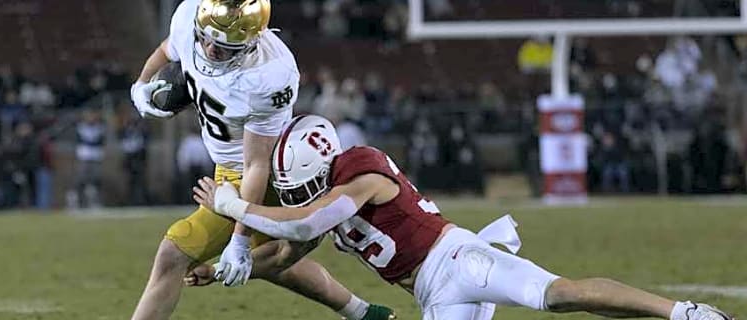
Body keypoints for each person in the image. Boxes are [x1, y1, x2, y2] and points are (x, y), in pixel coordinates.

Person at [192, 115, 734, 320]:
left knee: (560, 295)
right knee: (562, 296)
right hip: (435, 293)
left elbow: (304, 224)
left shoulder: (360, 172)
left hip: (458, 259)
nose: (291, 191)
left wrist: (232, 205)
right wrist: (222, 270)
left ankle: (687, 315)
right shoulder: (329, 199)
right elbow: (286, 252)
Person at [128, 1, 395, 320]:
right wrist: (141, 85)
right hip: (229, 166)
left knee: (175, 254)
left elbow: (257, 163)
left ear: (250, 42)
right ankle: (364, 313)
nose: (210, 50)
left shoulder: (268, 74)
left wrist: (238, 240)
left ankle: (361, 312)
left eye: (224, 47)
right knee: (274, 262)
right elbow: (168, 48)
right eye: (206, 39)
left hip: (259, 174)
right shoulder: (192, 14)